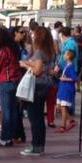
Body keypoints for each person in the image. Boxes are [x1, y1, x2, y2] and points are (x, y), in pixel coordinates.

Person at [19, 25, 56, 156]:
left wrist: (25, 65)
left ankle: (36, 146)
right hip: (45, 85)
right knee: (39, 117)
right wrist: (30, 63)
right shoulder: (49, 51)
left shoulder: (39, 52)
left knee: (35, 118)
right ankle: (39, 145)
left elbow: (37, 71)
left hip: (37, 86)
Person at [0, 27, 24, 146]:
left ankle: (5, 137)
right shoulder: (13, 48)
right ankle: (12, 136)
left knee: (6, 111)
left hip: (6, 81)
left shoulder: (3, 50)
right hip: (15, 80)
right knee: (13, 110)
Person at [56, 48, 78, 131]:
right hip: (63, 89)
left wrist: (64, 79)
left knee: (64, 107)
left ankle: (63, 126)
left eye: (65, 54)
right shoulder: (67, 66)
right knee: (62, 108)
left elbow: (74, 78)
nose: (63, 56)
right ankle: (71, 121)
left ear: (68, 56)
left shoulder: (70, 67)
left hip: (67, 89)